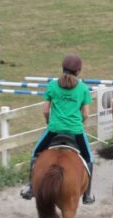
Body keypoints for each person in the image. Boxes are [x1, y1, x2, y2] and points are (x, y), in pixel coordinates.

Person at [20, 54, 95, 205]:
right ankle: (87, 195)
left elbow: (45, 111)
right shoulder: (82, 89)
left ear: (63, 68)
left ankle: (31, 187)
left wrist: (49, 122)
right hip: (76, 132)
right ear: (78, 71)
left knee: (35, 154)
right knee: (89, 159)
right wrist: (82, 124)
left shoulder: (52, 86)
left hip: (54, 130)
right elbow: (86, 113)